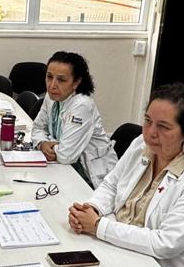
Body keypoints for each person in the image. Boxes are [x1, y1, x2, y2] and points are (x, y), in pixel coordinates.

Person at [68, 82, 184, 267]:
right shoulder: (141, 145)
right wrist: (92, 208)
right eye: (148, 121)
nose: (151, 133)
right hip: (126, 254)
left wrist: (97, 226)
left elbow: (166, 243)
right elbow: (112, 184)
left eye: (163, 127)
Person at [28, 51, 118, 187]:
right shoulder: (51, 96)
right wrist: (42, 143)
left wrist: (51, 145)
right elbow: (37, 127)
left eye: (61, 80)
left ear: (76, 82)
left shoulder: (82, 105)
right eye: (49, 77)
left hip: (89, 177)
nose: (52, 85)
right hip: (63, 167)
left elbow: (66, 156)